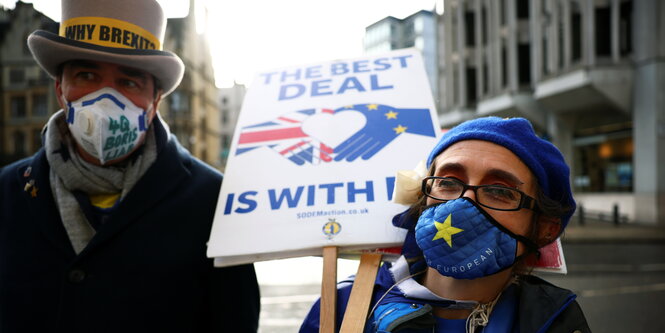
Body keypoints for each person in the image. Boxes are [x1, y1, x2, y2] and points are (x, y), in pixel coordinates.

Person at [0, 0, 260, 331]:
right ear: (60, 89)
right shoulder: (7, 193)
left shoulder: (213, 202)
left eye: (129, 82)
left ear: (155, 102)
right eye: (87, 74)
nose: (106, 97)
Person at [300, 117, 591, 332]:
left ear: (544, 229)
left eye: (500, 191)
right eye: (448, 182)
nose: (464, 202)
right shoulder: (346, 302)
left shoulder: (556, 319)